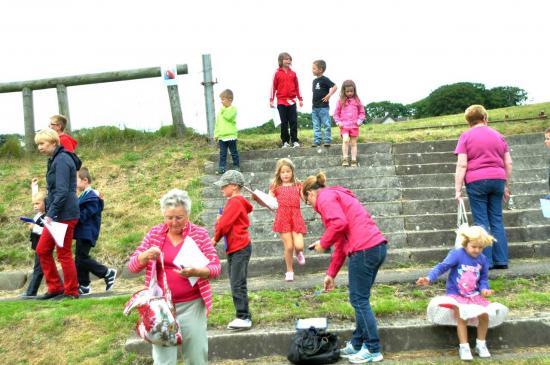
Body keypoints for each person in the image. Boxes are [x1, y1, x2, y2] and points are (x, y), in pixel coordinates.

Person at [128, 189, 221, 365]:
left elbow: (216, 267)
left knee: (196, 357)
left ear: (187, 214)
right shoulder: (155, 234)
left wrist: (197, 272)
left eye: (179, 217)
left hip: (192, 305)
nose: (173, 222)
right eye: (169, 217)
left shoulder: (199, 234)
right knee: (163, 360)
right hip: (161, 308)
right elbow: (133, 266)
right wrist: (145, 255)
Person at [303, 172, 387, 363]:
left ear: (310, 193)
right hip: (375, 247)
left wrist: (323, 243)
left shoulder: (324, 197)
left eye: (308, 203)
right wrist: (331, 274)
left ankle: (373, 349)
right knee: (360, 299)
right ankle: (358, 343)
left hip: (364, 249)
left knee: (359, 300)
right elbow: (341, 242)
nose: (313, 208)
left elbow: (339, 224)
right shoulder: (336, 196)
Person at [416, 226, 508, 361]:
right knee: (462, 317)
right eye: (474, 247)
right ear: (466, 243)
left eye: (480, 247)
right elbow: (442, 267)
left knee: (484, 315)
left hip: (474, 295)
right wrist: (429, 278)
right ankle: (464, 346)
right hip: (457, 295)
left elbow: (483, 279)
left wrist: (484, 289)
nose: (477, 250)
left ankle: (481, 344)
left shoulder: (482, 259)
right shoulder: (457, 254)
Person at [454, 105, 513, 269]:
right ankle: (501, 260)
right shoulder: (498, 135)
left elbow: (462, 165)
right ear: (485, 118)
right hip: (498, 180)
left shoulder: (465, 136)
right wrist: (506, 185)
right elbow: (508, 162)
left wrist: (458, 190)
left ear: (468, 122)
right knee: (496, 219)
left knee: (481, 221)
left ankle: (486, 262)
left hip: (477, 181)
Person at [34, 128, 80, 299]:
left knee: (64, 253)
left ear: (53, 142)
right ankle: (55, 287)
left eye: (42, 143)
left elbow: (61, 192)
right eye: (38, 144)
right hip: (57, 213)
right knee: (43, 249)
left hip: (65, 214)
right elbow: (54, 191)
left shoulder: (61, 160)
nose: (39, 147)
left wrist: (50, 214)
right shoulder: (53, 159)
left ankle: (71, 291)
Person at [212, 170, 253, 329]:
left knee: (237, 283)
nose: (221, 188)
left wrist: (215, 238)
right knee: (236, 281)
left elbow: (224, 224)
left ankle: (243, 317)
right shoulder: (237, 202)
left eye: (224, 185)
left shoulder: (235, 202)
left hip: (239, 247)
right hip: (237, 247)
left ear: (235, 186)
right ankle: (243, 315)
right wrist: (220, 222)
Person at [74, 167, 117, 295]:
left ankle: (107, 273)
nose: (73, 183)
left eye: (75, 180)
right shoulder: (85, 195)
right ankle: (84, 285)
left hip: (87, 232)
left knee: (82, 258)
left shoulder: (92, 197)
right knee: (80, 258)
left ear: (85, 180)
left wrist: (73, 215)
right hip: (82, 232)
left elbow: (85, 215)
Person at [269, 158, 307, 281]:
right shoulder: (275, 186)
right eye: (283, 172)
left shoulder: (298, 185)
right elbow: (269, 201)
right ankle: (289, 271)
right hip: (282, 217)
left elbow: (304, 198)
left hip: (296, 216)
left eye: (288, 171)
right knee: (289, 246)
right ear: (279, 174)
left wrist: (308, 194)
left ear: (292, 172)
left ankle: (299, 252)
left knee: (299, 245)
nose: (285, 174)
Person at [270, 52, 303, 148]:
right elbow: (273, 87)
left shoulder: (293, 74)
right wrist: (271, 100)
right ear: (281, 61)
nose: (288, 61)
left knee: (293, 121)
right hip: (281, 101)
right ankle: (285, 141)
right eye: (286, 59)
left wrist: (300, 99)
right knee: (284, 122)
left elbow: (297, 87)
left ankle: (295, 141)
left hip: (292, 101)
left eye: (289, 59)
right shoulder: (276, 73)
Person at [20, 180, 46, 299]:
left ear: (45, 204)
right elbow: (36, 198)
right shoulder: (38, 214)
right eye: (33, 204)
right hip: (38, 246)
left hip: (43, 245)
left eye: (37, 204)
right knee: (41, 268)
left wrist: (34, 227)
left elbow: (46, 232)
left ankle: (31, 291)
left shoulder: (45, 216)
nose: (35, 206)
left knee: (39, 269)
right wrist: (34, 187)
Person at [333, 80, 365, 167]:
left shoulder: (357, 101)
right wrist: (338, 122)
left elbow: (362, 112)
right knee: (346, 140)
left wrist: (360, 120)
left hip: (354, 126)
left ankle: (354, 160)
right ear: (344, 91)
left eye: (351, 91)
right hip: (344, 126)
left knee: (354, 143)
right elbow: (336, 113)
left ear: (354, 90)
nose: (350, 93)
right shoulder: (340, 101)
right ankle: (345, 158)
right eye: (347, 91)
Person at [311, 60, 337, 147]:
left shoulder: (325, 79)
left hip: (323, 107)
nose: (312, 70)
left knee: (326, 124)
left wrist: (329, 95)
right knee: (316, 125)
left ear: (321, 69)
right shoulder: (314, 81)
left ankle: (327, 140)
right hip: (315, 108)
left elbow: (335, 86)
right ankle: (317, 141)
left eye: (314, 68)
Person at [214, 89, 240, 175]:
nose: (221, 102)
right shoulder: (220, 112)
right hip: (222, 137)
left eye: (223, 99)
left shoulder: (233, 109)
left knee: (234, 152)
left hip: (231, 136)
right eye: (221, 99)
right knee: (222, 154)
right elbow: (217, 124)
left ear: (230, 100)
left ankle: (236, 166)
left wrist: (223, 111)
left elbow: (228, 117)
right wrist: (216, 134)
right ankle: (222, 168)